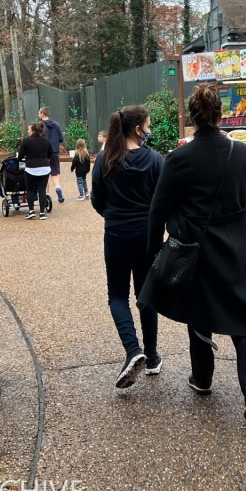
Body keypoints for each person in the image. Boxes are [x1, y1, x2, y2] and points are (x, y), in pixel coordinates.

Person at [140, 84, 246, 424]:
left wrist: (152, 252)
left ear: (192, 118)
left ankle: (203, 379)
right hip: (243, 244)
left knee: (200, 311)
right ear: (221, 115)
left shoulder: (179, 159)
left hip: (199, 246)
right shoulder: (242, 152)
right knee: (244, 318)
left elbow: (157, 211)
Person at [91, 106, 163, 388]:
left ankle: (133, 350)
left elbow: (97, 198)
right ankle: (153, 357)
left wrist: (113, 216)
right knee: (146, 296)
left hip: (117, 233)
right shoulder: (155, 160)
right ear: (137, 130)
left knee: (117, 295)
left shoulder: (105, 159)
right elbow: (163, 198)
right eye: (147, 126)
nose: (149, 130)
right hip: (147, 235)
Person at [17, 122, 53, 220]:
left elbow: (20, 156)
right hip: (45, 168)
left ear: (33, 130)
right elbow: (51, 153)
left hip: (31, 168)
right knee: (42, 190)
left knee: (30, 190)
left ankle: (31, 211)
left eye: (29, 130)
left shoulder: (27, 141)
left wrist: (21, 159)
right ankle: (42, 213)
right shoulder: (46, 140)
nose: (28, 131)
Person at [39, 107, 66, 204]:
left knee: (44, 174)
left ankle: (47, 194)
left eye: (39, 113)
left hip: (44, 153)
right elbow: (61, 139)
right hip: (54, 152)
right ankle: (58, 188)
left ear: (42, 114)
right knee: (54, 173)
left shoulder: (40, 126)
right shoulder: (56, 124)